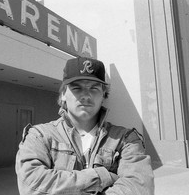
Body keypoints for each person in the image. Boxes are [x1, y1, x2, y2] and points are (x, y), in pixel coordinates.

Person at [15, 56, 154, 195]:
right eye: (77, 88)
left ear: (103, 95)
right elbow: (31, 185)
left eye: (94, 88)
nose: (86, 95)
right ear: (63, 94)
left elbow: (139, 187)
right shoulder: (39, 136)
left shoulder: (126, 139)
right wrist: (101, 177)